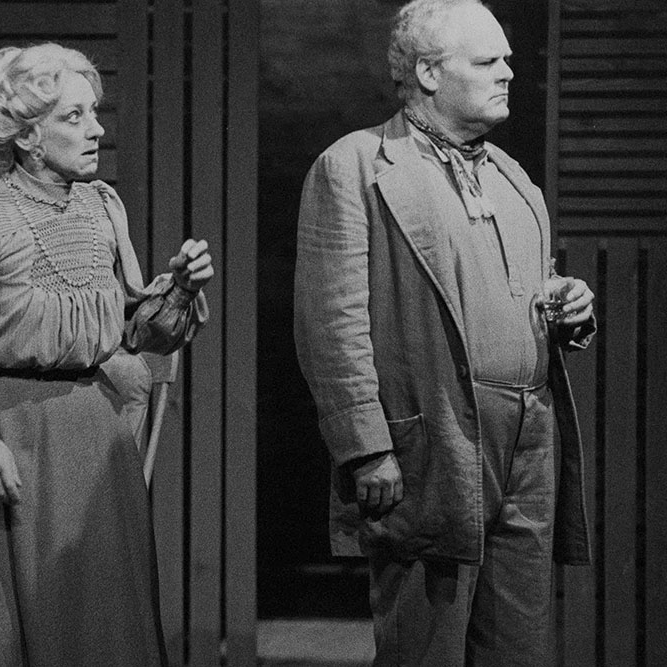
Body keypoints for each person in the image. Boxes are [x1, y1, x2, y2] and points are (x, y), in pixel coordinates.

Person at [294, 1, 597, 664]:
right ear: (429, 73)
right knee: (428, 644)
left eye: (508, 59)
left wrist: (566, 308)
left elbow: (523, 294)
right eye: (488, 61)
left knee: (520, 640)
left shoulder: (514, 179)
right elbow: (330, 323)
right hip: (435, 435)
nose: (509, 72)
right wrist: (364, 446)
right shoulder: (356, 166)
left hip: (528, 435)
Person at [0, 43, 212, 666]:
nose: (96, 128)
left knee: (100, 623)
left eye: (93, 112)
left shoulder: (102, 207)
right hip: (15, 437)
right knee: (6, 627)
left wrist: (177, 288)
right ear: (28, 137)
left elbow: (132, 332)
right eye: (74, 116)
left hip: (98, 442)